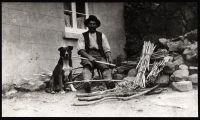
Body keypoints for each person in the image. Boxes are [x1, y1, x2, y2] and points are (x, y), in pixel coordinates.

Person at [77, 15, 115, 93]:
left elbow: (106, 49)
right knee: (87, 66)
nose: (92, 25)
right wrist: (89, 57)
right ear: (87, 25)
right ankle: (87, 83)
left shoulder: (102, 35)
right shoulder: (82, 36)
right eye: (90, 24)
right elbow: (81, 50)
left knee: (105, 67)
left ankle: (109, 83)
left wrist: (109, 58)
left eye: (94, 24)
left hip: (100, 56)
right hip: (87, 56)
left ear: (96, 25)